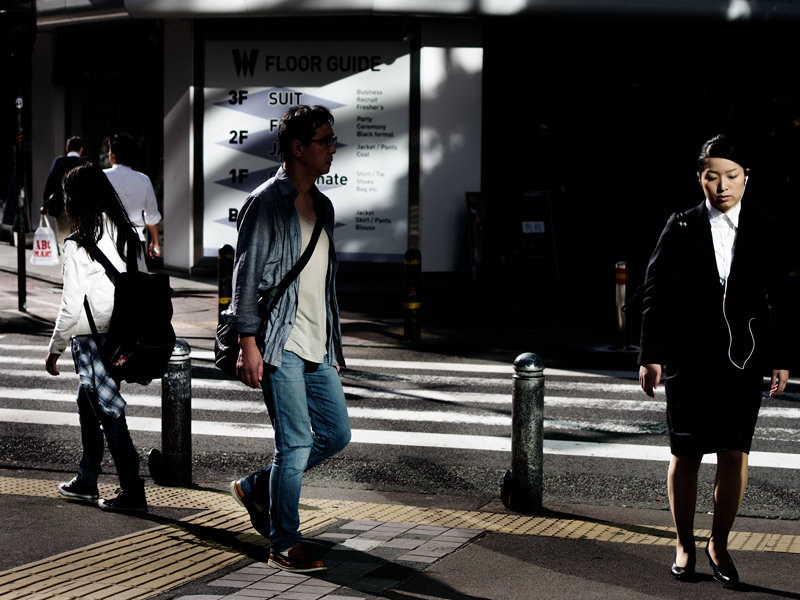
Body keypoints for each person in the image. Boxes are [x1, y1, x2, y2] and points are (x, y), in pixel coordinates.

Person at [638, 134, 794, 586]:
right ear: (700, 178)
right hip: (688, 358)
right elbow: (655, 293)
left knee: (735, 452)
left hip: (743, 360)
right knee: (685, 453)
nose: (722, 185)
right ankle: (684, 543)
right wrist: (651, 355)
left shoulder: (764, 226)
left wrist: (782, 356)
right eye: (712, 176)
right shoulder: (682, 225)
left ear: (746, 178)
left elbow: (778, 296)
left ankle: (719, 543)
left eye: (731, 175)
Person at [226, 105, 350, 573]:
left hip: (317, 343)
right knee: (295, 443)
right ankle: (284, 541)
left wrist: (333, 346)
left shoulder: (324, 205)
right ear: (298, 147)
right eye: (325, 141)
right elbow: (246, 278)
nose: (333, 148)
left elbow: (323, 282)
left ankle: (256, 488)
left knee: (336, 434)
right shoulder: (266, 202)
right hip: (279, 342)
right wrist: (248, 344)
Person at [45, 161, 148, 513]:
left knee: (108, 412)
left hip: (94, 342)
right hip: (125, 339)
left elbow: (71, 306)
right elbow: (141, 281)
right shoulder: (126, 233)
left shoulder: (78, 245)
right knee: (89, 405)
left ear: (74, 201)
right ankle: (87, 478)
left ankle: (133, 491)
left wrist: (54, 349)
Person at [103, 132, 162, 260]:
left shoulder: (102, 177)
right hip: (135, 240)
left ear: (113, 155)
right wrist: (155, 242)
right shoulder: (143, 180)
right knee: (135, 278)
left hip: (106, 241)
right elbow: (151, 216)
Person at [41, 135, 86, 255]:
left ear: (67, 149)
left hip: (62, 206)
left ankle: (65, 268)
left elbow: (50, 183)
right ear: (81, 149)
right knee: (80, 239)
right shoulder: (84, 163)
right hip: (81, 208)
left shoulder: (59, 161)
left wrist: (45, 204)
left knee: (63, 239)